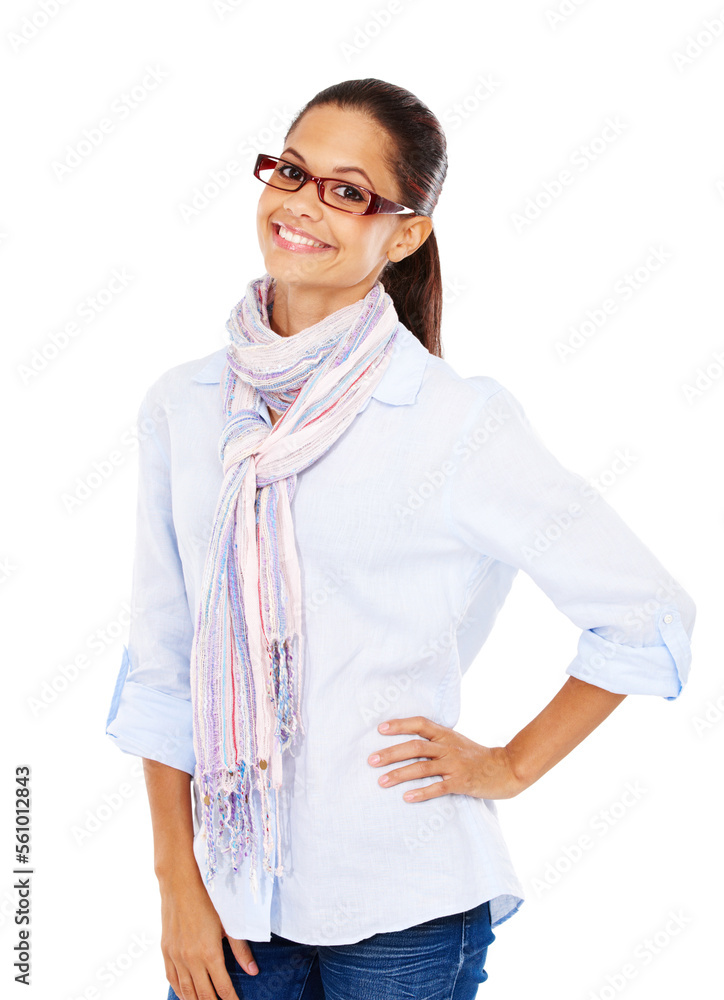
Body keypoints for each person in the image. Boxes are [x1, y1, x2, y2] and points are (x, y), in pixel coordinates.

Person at [105, 77, 696, 1000]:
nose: (304, 204)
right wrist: (176, 882)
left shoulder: (456, 422)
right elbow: (160, 663)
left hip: (405, 902)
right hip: (231, 895)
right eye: (292, 172)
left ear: (406, 232)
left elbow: (647, 615)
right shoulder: (184, 408)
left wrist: (507, 765)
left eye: (349, 190)